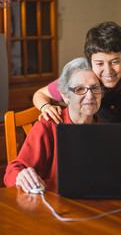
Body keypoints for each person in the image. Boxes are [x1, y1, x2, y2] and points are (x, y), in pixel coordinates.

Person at [4, 57, 103, 192]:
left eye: (95, 88)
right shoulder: (48, 126)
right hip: (53, 205)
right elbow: (13, 170)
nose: (90, 95)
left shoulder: (104, 128)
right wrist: (22, 176)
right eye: (80, 89)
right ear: (65, 96)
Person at [32, 21, 121, 124]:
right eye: (99, 63)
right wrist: (45, 106)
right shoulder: (82, 75)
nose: (108, 71)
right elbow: (39, 94)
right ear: (90, 62)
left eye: (115, 62)